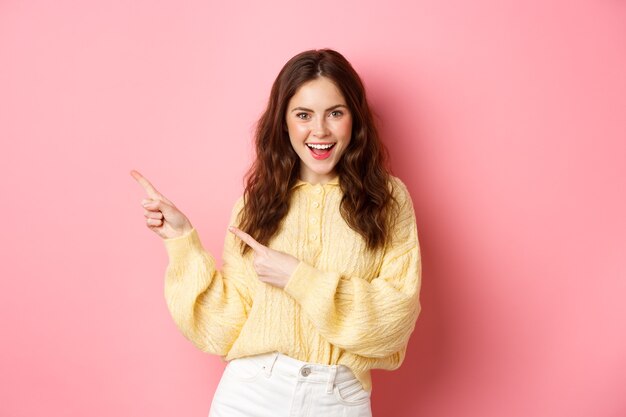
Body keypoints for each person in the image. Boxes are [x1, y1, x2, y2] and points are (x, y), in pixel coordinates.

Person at [131, 48, 422, 417]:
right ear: (284, 122)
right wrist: (182, 240)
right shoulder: (257, 203)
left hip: (338, 399)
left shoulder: (389, 200)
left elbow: (395, 318)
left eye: (335, 113)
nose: (320, 130)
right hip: (251, 392)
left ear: (355, 119)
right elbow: (227, 324)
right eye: (303, 115)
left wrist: (299, 279)